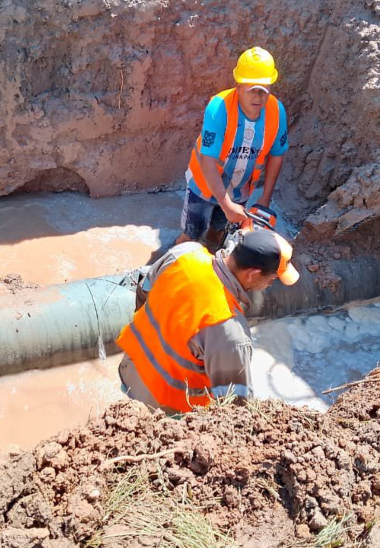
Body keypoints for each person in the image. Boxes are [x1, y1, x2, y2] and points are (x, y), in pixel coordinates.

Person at [117, 229, 299, 414]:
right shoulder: (229, 329)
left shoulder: (186, 253)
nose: (269, 285)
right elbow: (234, 406)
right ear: (253, 274)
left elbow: (143, 291)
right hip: (165, 408)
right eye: (271, 279)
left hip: (131, 368)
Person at [176, 46, 289, 250]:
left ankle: (212, 265)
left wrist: (264, 199)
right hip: (204, 185)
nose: (258, 96)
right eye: (252, 89)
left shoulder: (276, 111)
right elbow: (207, 159)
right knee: (191, 235)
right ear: (238, 85)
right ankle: (171, 267)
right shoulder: (219, 108)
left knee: (218, 233)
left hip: (239, 190)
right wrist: (225, 203)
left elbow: (276, 155)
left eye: (263, 90)